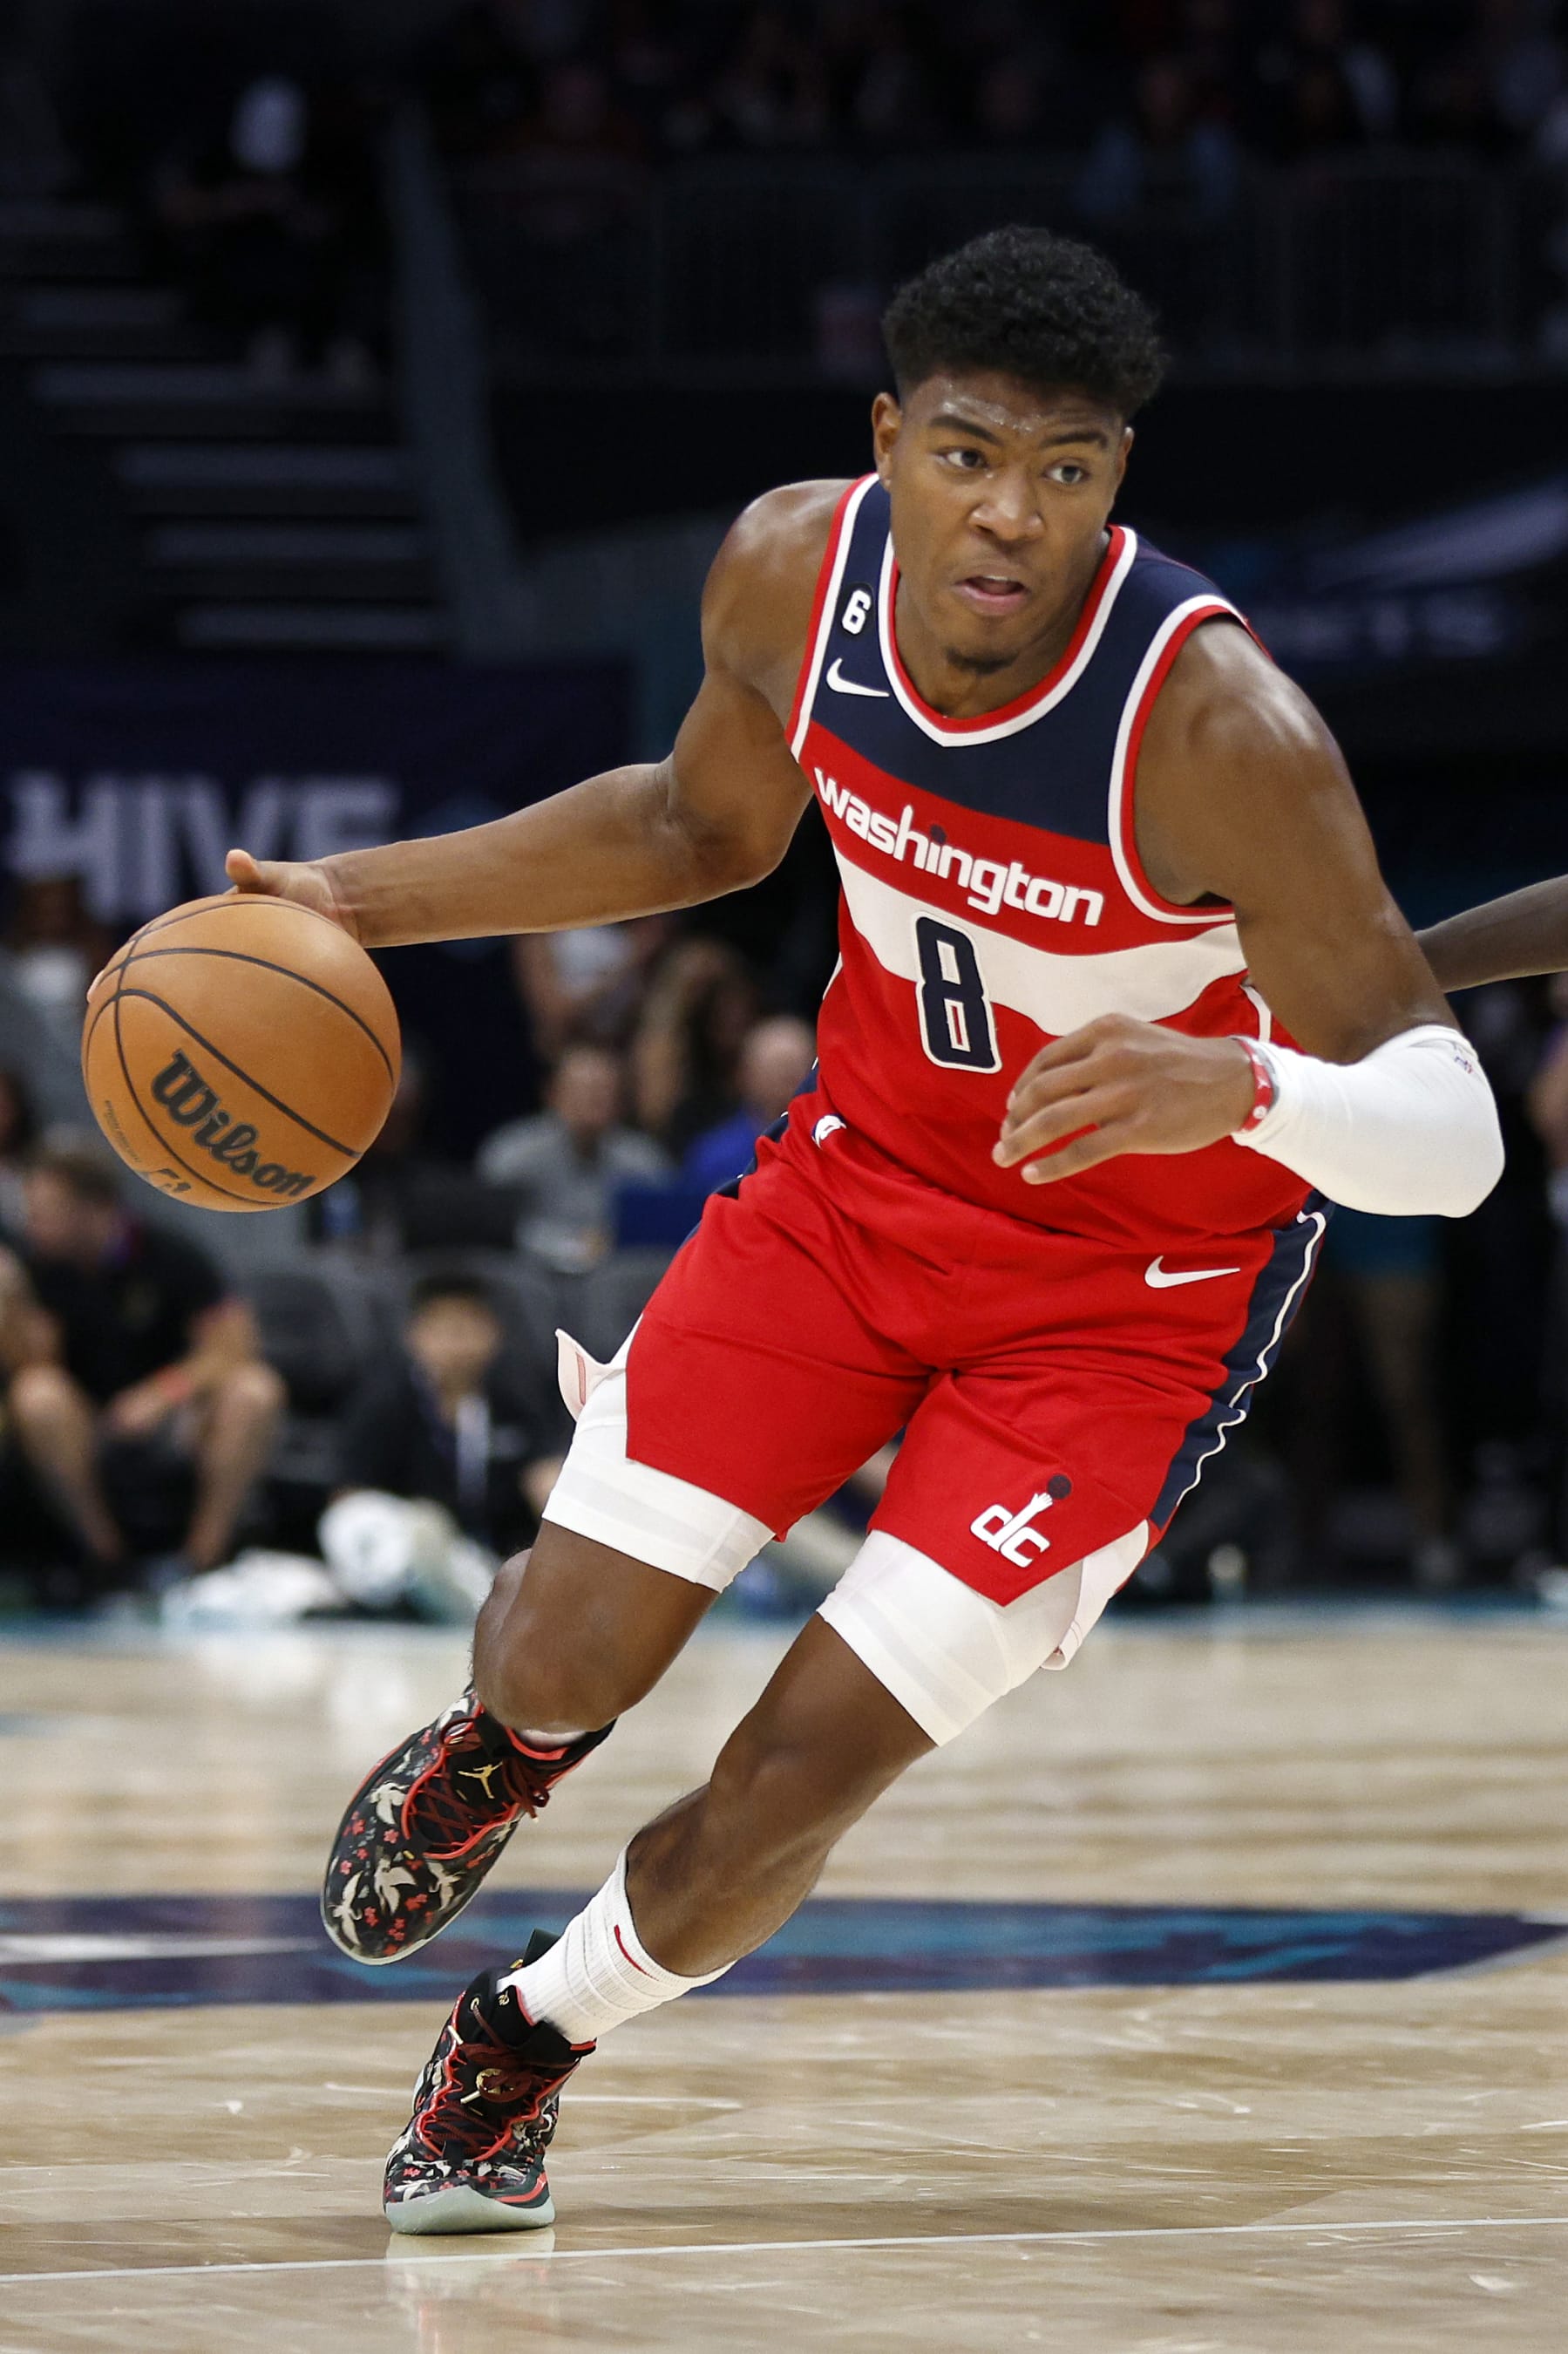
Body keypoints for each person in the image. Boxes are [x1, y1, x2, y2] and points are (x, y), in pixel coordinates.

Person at [228, 227, 1513, 2235]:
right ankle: (503, 1746)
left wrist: (1243, 1087)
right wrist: (355, 901)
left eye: (1067, 470)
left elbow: (1454, 1139)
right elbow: (692, 827)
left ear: (1115, 480)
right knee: (561, 1646)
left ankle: (525, 2037)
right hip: (855, 1193)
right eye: (972, 454)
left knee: (800, 1768)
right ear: (890, 436)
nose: (1012, 514)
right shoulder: (788, 572)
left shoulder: (1216, 729)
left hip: (1124, 1307)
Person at [3, 1139, 284, 1588]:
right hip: (88, 1423)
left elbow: (236, 1348)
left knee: (256, 1390)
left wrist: (162, 1394)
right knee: (38, 1396)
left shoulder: (170, 1252)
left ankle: (203, 1560)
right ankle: (107, 1560)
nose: (32, 1224)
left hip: (177, 1421)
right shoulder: (35, 1268)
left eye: (46, 1211)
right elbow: (33, 1366)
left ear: (94, 1207)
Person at [320, 1269, 563, 1620]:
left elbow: (544, 1477)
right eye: (446, 1331)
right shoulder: (383, 1400)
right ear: (415, 1336)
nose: (457, 1345)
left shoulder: (516, 1400)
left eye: (469, 1329)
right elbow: (350, 1495)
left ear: (494, 1334)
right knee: (366, 1522)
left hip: (485, 1555)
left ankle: (459, 1588)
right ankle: (411, 1578)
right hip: (402, 1541)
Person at [476, 1040, 669, 1269]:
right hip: (532, 1268)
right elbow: (492, 1225)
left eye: (603, 1090)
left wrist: (612, 1241)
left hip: (615, 1270)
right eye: (583, 1090)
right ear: (552, 1094)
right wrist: (568, 1247)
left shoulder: (642, 1159)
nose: (594, 1100)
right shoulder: (513, 1154)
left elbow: (660, 1227)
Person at [682, 1013, 816, 1193]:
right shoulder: (714, 1155)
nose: (789, 1081)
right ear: (747, 1075)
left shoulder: (831, 1143)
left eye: (797, 1068)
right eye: (779, 1069)